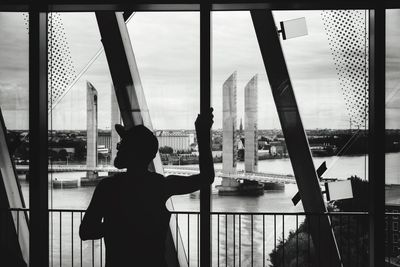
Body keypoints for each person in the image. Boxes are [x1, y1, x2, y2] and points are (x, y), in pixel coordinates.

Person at [79, 108, 215, 267]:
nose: (118, 146)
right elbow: (206, 178)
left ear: (133, 152)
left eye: (123, 143)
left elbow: (86, 232)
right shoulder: (159, 186)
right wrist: (202, 133)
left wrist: (115, 227)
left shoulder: (107, 187)